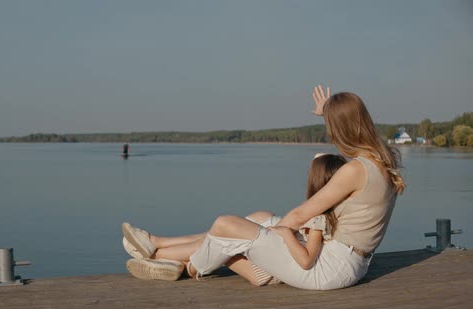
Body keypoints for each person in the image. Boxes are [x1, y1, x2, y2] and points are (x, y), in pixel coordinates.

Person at [122, 86, 405, 290]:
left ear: (340, 130)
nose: (330, 134)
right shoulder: (382, 160)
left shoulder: (354, 171)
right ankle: (158, 243)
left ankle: (170, 259)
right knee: (257, 218)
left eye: (331, 127)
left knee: (227, 225)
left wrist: (269, 234)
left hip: (329, 269)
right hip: (347, 261)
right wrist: (327, 112)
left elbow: (298, 216)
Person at [124, 153, 347, 286]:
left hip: (267, 270)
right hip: (273, 260)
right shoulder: (331, 207)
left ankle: (163, 255)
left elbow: (306, 260)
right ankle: (163, 247)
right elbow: (321, 162)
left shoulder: (319, 217)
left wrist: (287, 233)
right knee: (260, 217)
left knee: (224, 230)